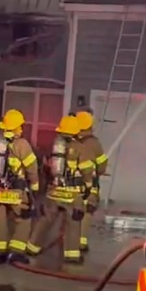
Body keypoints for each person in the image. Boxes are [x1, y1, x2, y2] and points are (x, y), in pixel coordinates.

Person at [27, 114, 94, 264]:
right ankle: (71, 255)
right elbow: (87, 170)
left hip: (54, 191)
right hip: (72, 193)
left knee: (46, 219)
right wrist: (88, 185)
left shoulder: (55, 145)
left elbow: (46, 165)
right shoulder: (79, 147)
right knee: (73, 222)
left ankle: (32, 247)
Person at [0, 108, 40, 265]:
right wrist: (35, 186)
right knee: (24, 218)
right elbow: (32, 168)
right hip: (16, 190)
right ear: (16, 128)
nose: (22, 129)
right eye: (20, 126)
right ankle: (16, 253)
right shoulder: (22, 144)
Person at [73, 109, 107, 253]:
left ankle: (69, 241)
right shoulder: (94, 143)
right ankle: (81, 242)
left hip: (71, 186)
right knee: (88, 211)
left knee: (72, 213)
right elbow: (102, 166)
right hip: (89, 184)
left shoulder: (71, 141)